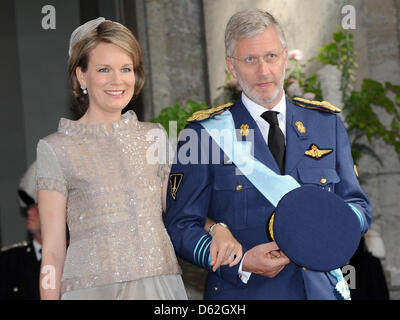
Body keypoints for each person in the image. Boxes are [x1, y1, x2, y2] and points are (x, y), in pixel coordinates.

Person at [165, 9, 372, 299]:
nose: (263, 71)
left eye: (271, 56)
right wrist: (240, 262)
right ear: (231, 67)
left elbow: (358, 206)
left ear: (285, 57)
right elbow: (180, 225)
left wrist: (334, 226)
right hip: (244, 293)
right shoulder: (203, 135)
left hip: (320, 292)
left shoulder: (326, 125)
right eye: (250, 59)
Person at [36, 17, 240, 300]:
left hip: (158, 286)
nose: (117, 80)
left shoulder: (154, 136)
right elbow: (53, 251)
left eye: (126, 69)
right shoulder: (55, 148)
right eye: (104, 69)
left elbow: (180, 207)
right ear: (81, 75)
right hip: (92, 291)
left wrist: (218, 229)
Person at [0, 162, 41, 300]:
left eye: (36, 206)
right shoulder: (9, 261)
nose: (29, 212)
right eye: (28, 207)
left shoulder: (72, 257)